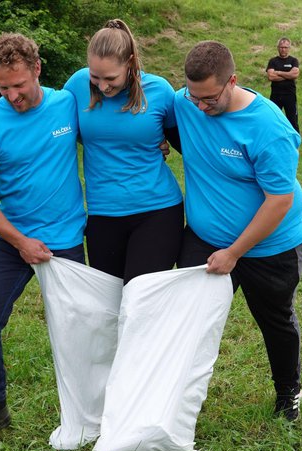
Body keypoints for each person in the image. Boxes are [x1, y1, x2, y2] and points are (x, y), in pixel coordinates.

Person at [0, 33, 87, 442]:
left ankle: (94, 407)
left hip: (68, 238)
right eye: (3, 87)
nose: (13, 95)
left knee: (83, 326)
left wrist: (154, 141)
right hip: (14, 240)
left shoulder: (67, 103)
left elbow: (111, 131)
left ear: (37, 69)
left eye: (19, 84)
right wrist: (19, 241)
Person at [173, 41, 302, 422]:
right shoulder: (186, 103)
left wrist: (234, 253)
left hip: (271, 246)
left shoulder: (268, 127)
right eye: (193, 96)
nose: (200, 106)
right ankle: (183, 397)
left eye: (209, 98)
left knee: (275, 321)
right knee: (190, 320)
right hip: (204, 239)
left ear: (232, 81)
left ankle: (288, 392)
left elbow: (278, 201)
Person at [63, 19, 182, 283]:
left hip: (157, 210)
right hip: (102, 213)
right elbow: (63, 133)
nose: (102, 86)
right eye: (95, 77)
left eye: (110, 78)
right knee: (110, 303)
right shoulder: (76, 85)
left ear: (130, 62)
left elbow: (186, 145)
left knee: (140, 299)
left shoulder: (160, 91)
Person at [265, 37, 300, 132]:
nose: (283, 49)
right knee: (273, 120)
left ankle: (295, 145)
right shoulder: (273, 61)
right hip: (275, 95)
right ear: (278, 48)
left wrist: (278, 72)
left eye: (285, 47)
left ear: (289, 48)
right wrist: (288, 75)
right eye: (281, 47)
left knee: (292, 121)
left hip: (290, 95)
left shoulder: (293, 61)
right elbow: (271, 76)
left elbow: (295, 74)